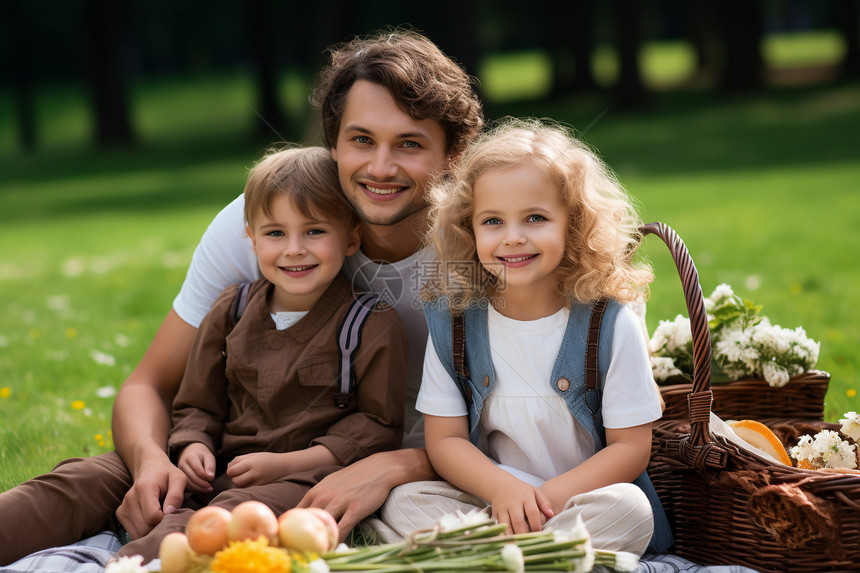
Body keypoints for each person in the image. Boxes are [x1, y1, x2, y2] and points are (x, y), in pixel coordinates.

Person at [0, 28, 483, 568]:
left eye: (410, 144)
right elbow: (149, 385)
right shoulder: (270, 220)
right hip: (214, 448)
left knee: (217, 527)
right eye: (361, 139)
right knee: (79, 482)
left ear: (454, 155)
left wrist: (400, 465)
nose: (381, 167)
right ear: (333, 142)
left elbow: (531, 437)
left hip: (330, 472)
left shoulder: (490, 250)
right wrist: (152, 461)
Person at [2, 146, 409, 564]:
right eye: (275, 233)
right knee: (84, 478)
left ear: (351, 239)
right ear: (250, 238)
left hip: (299, 479)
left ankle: (127, 565)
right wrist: (191, 444)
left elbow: (377, 426)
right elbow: (196, 401)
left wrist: (286, 462)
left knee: (218, 523)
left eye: (315, 232)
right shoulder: (231, 309)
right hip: (211, 461)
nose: (294, 249)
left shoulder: (371, 324)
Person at [381, 118, 673, 556]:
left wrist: (546, 500)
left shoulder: (610, 323)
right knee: (405, 501)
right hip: (493, 503)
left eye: (535, 218)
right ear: (469, 228)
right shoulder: (453, 321)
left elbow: (630, 450)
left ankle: (487, 561)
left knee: (631, 510)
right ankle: (535, 562)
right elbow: (445, 441)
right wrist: (503, 491)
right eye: (493, 221)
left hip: (580, 504)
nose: (512, 238)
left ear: (573, 225)